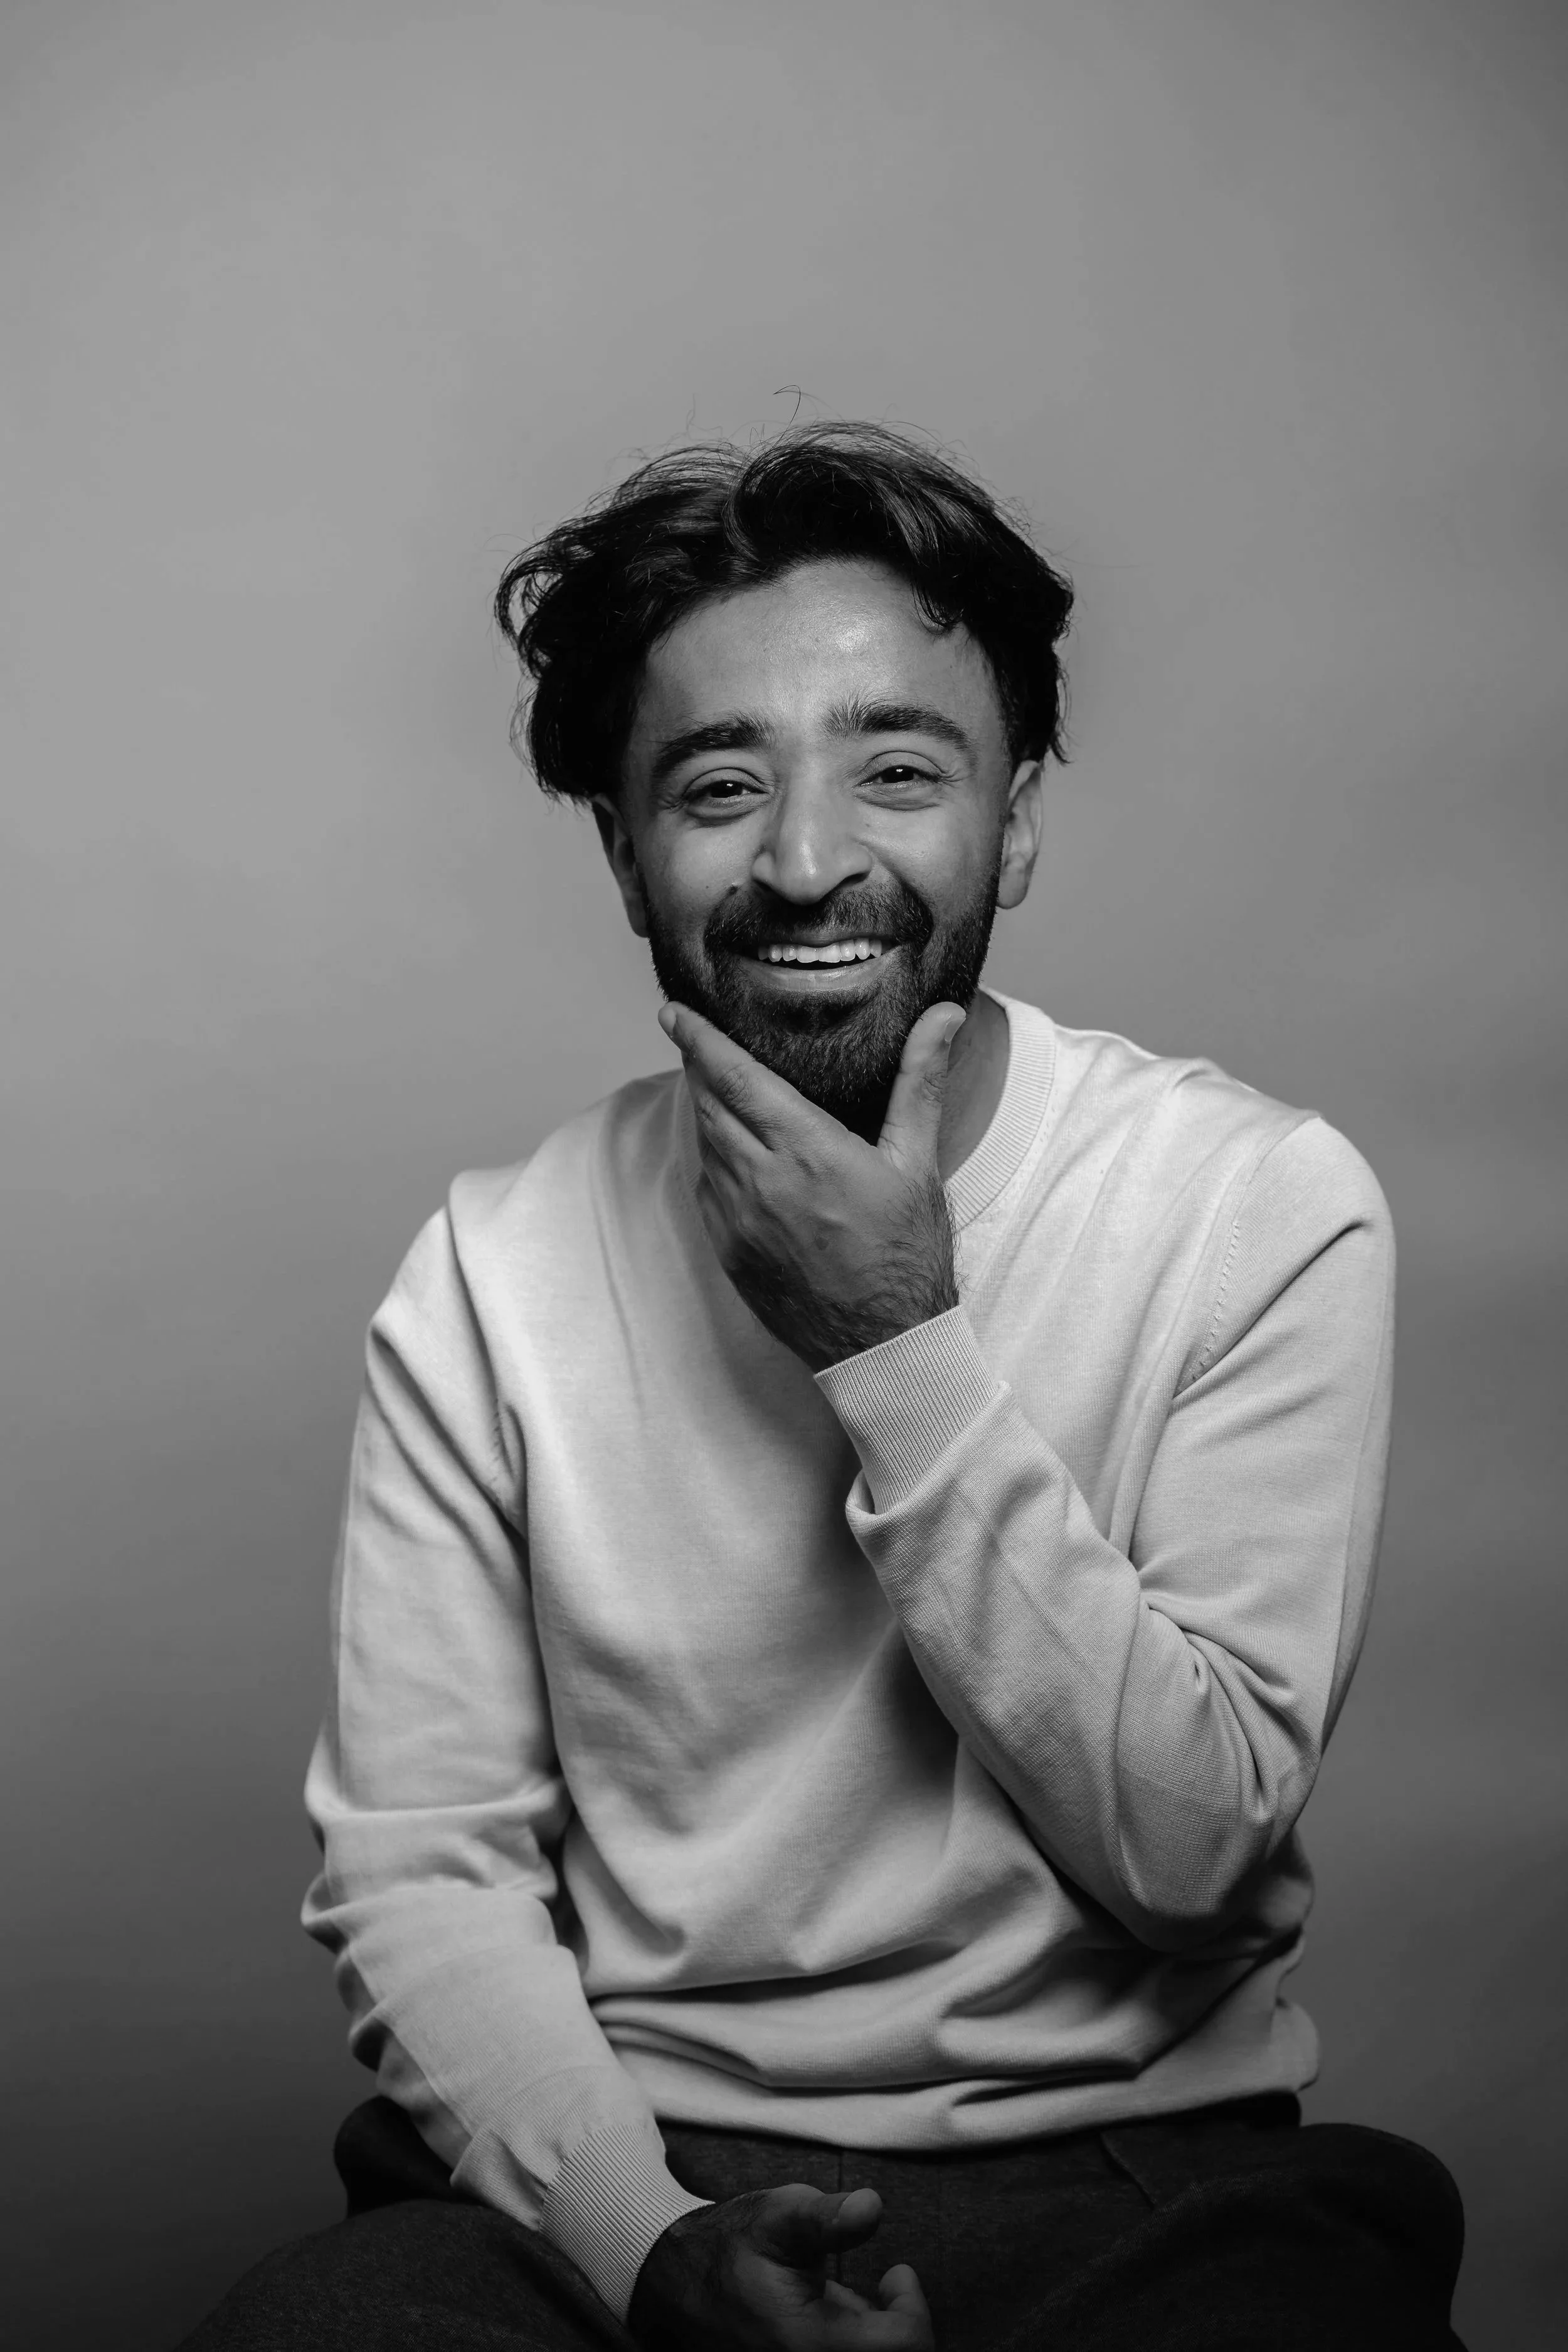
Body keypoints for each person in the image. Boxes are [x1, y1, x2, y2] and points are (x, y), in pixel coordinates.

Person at [179, 425, 1465, 2350]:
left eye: (897, 769)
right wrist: (649, 2241)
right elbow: (419, 1871)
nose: (805, 860)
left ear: (1012, 817)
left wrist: (890, 1338)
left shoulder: (1255, 1205)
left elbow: (1192, 1855)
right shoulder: (493, 1267)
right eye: (717, 783)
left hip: (1140, 2171)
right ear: (624, 850)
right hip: (620, 2170)